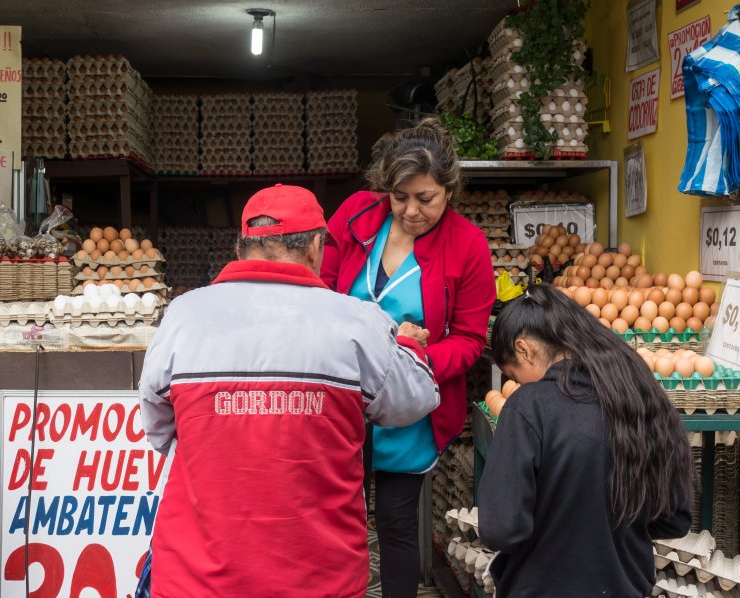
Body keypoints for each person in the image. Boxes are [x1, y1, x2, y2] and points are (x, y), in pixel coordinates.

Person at [138, 184, 441, 598]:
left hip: (197, 579)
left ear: (240, 247)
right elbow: (414, 401)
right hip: (317, 580)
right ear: (316, 247)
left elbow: (157, 430)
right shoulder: (357, 323)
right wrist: (408, 346)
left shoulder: (184, 315)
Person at [321, 117, 495, 597]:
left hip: (410, 410)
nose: (411, 211)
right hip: (341, 398)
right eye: (401, 198)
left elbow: (468, 339)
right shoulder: (357, 215)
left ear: (450, 191)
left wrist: (416, 357)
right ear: (385, 188)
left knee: (397, 523)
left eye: (426, 199)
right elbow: (320, 289)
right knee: (336, 518)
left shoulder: (468, 246)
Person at [478, 285, 693, 597]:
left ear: (525, 349)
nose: (518, 384)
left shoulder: (529, 406)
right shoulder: (641, 395)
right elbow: (674, 519)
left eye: (515, 373)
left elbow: (501, 528)